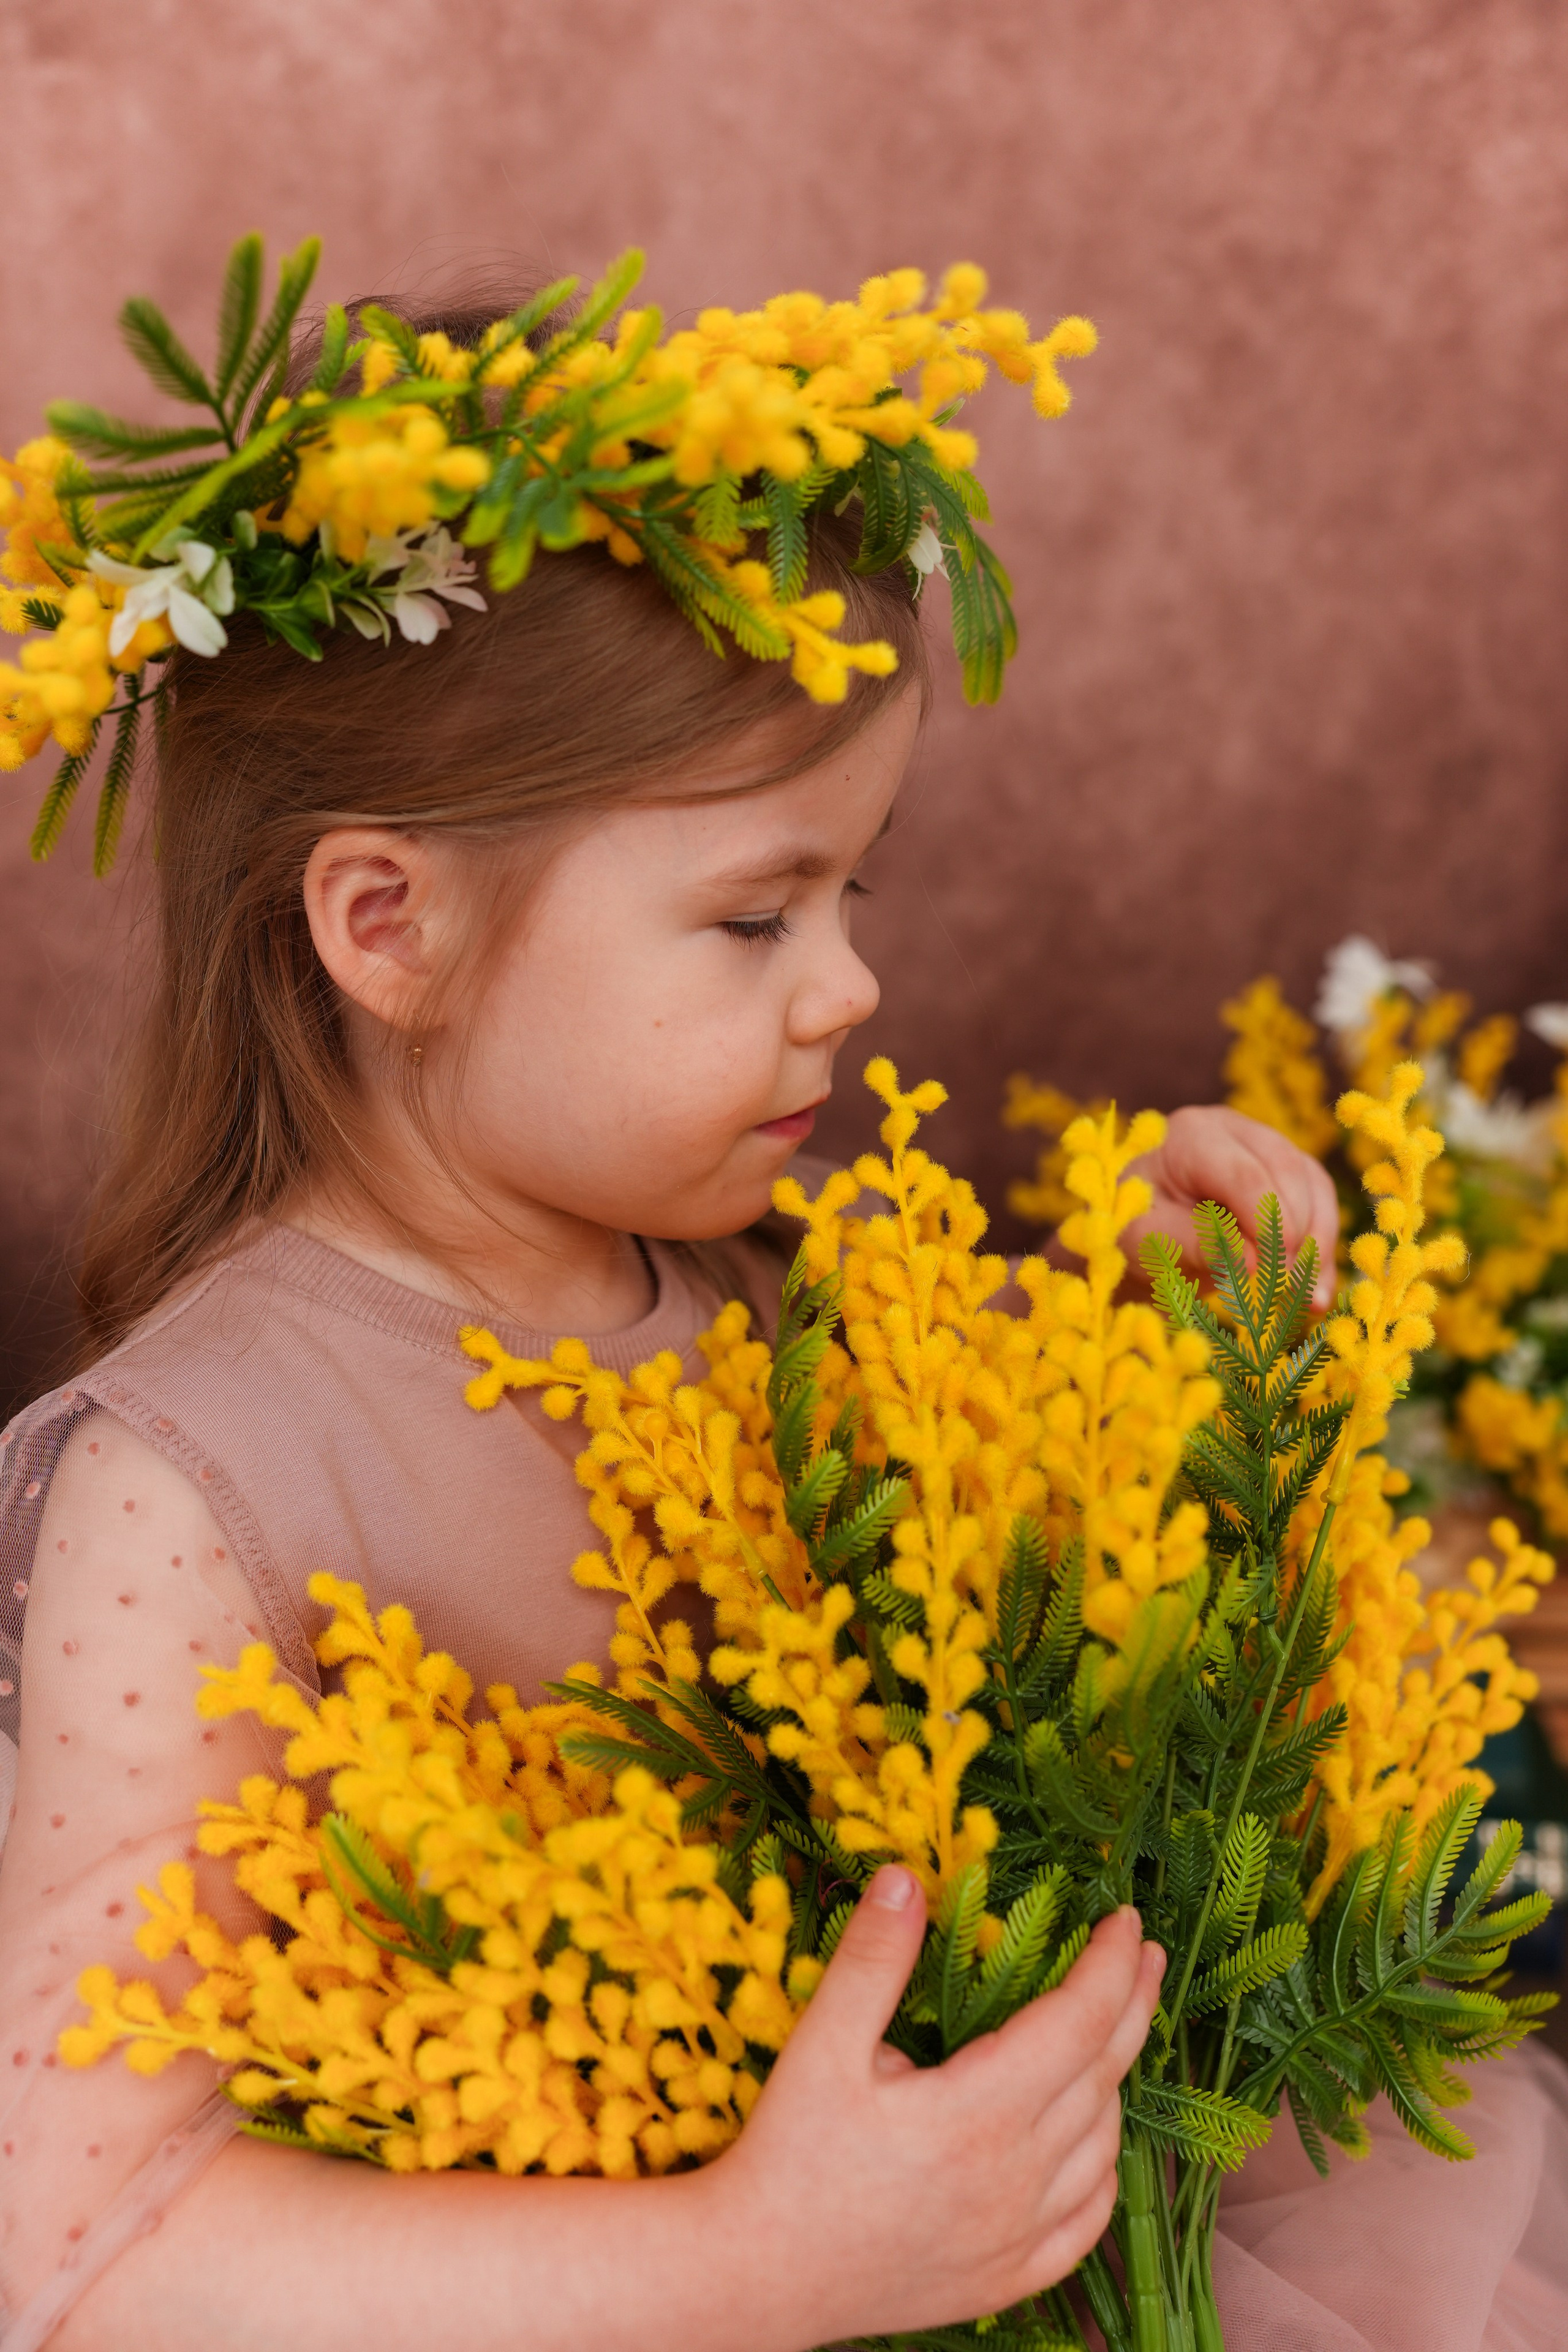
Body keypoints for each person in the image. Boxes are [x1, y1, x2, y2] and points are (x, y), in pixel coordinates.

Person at [1, 252, 1555, 2352]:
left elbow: (1006, 1715)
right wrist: (741, 2266)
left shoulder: (754, 1283)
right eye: (753, 916)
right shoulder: (197, 1495)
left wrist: (1178, 1377)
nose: (849, 989)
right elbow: (80, 2250)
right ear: (388, 926)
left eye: (856, 888)